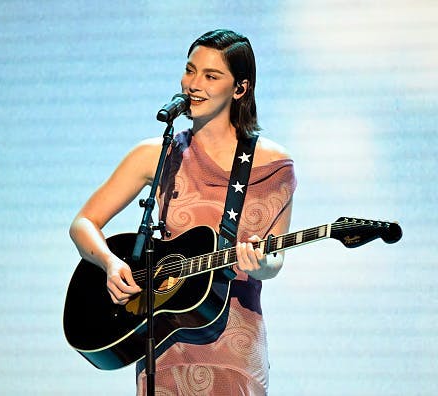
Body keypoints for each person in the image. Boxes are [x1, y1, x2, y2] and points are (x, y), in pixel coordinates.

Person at [69, 29, 296, 395]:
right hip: (164, 347)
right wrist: (111, 264)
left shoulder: (273, 165)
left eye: (211, 76)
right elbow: (84, 223)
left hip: (233, 351)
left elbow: (275, 258)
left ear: (240, 88)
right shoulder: (157, 155)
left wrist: (261, 264)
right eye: (190, 71)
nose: (194, 84)